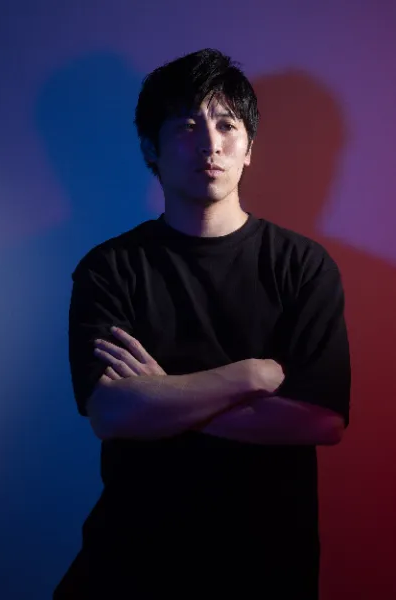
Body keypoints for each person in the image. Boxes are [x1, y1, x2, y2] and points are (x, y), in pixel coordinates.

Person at [53, 48, 350, 599]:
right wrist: (247, 376)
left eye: (226, 125)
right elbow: (111, 413)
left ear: (249, 148)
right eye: (187, 125)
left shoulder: (303, 266)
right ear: (152, 148)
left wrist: (162, 398)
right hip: (131, 560)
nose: (210, 143)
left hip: (267, 562)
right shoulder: (110, 268)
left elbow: (320, 421)